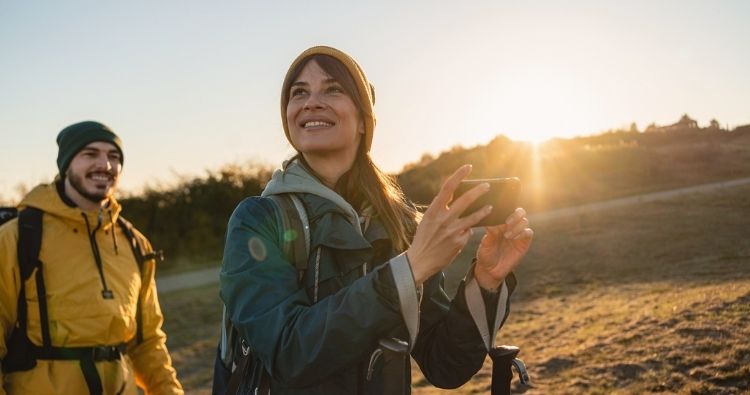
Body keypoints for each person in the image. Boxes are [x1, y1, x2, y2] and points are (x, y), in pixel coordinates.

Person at [219, 46, 534, 394]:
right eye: (299, 93)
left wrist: (486, 281)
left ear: (363, 119)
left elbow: (446, 365)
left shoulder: (399, 224)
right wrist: (408, 271)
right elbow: (288, 354)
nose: (311, 102)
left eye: (332, 89)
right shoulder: (257, 220)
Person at [0, 121, 183, 394]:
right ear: (66, 165)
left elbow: (148, 343)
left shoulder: (135, 243)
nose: (105, 165)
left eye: (114, 156)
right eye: (90, 154)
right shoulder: (17, 237)